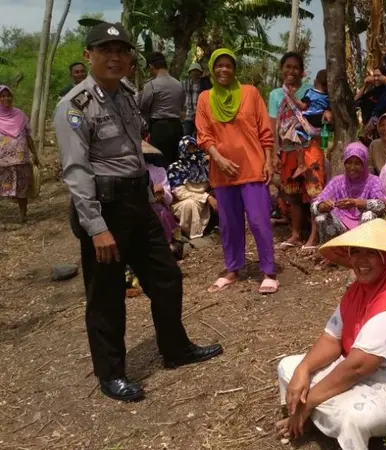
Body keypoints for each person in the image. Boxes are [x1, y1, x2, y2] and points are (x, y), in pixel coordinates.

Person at [54, 22, 222, 402]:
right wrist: (96, 227)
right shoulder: (74, 107)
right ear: (88, 55)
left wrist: (152, 195)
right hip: (104, 208)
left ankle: (175, 349)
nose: (115, 56)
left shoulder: (128, 94)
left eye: (121, 50)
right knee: (107, 295)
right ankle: (111, 373)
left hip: (138, 202)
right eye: (105, 49)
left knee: (167, 278)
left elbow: (135, 151)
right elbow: (76, 172)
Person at [275, 219, 386, 450]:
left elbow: (358, 366)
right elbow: (332, 338)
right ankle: (307, 417)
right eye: (356, 252)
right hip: (366, 373)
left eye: (371, 253)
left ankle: (305, 413)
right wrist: (304, 369)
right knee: (289, 367)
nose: (361, 260)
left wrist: (309, 401)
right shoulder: (358, 290)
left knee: (351, 416)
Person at [195, 48, 279, 295]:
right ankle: (232, 269)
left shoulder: (250, 93)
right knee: (230, 224)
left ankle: (269, 272)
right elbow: (203, 135)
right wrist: (219, 159)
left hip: (252, 168)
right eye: (218, 65)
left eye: (228, 65)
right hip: (222, 173)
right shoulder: (204, 99)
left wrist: (268, 162)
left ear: (234, 69)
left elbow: (265, 130)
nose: (223, 70)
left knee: (258, 220)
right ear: (212, 69)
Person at [268, 52, 328, 251]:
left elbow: (324, 107)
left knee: (313, 189)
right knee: (292, 192)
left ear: (302, 71)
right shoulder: (276, 95)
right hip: (288, 149)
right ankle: (295, 233)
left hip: (310, 146)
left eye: (295, 67)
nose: (291, 71)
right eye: (287, 66)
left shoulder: (310, 90)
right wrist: (275, 151)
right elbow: (273, 125)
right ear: (281, 69)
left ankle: (314, 235)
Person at [311, 142, 386, 244]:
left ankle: (363, 250)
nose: (352, 167)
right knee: (322, 218)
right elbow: (314, 206)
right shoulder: (337, 181)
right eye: (348, 162)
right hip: (341, 225)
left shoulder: (373, 181)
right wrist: (322, 206)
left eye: (357, 163)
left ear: (364, 164)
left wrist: (356, 203)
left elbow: (381, 205)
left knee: (368, 215)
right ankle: (333, 253)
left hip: (363, 228)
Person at [0, 85, 38, 222]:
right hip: (2, 162)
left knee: (22, 189)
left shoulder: (20, 115)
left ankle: (23, 215)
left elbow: (28, 136)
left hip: (21, 159)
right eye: (2, 96)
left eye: (8, 95)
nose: (6, 98)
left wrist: (35, 154)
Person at [139, 52, 185, 165]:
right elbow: (182, 104)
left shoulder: (151, 85)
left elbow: (143, 107)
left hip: (159, 129)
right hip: (177, 127)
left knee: (159, 162)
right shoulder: (179, 84)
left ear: (151, 67)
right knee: (175, 162)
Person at [168, 135, 216, 239]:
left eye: (194, 148)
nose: (193, 152)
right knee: (190, 204)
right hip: (184, 203)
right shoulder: (175, 168)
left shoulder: (203, 165)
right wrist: (206, 197)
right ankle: (194, 236)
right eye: (189, 150)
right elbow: (181, 194)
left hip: (205, 201)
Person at [285, 69, 329, 179]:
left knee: (296, 138)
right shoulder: (328, 97)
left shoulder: (311, 93)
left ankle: (300, 165)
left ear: (316, 81)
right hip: (319, 125)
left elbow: (303, 106)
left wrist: (292, 96)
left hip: (308, 121)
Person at [141, 141, 182, 258]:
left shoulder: (158, 171)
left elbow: (169, 199)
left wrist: (162, 192)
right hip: (138, 210)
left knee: (161, 213)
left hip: (158, 208)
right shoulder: (126, 176)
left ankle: (168, 244)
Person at [182, 62, 203, 136]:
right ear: (190, 73)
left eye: (197, 71)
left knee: (200, 135)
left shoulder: (204, 84)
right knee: (186, 134)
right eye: (193, 71)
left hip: (201, 115)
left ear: (200, 73)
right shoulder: (185, 84)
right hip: (189, 114)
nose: (195, 73)